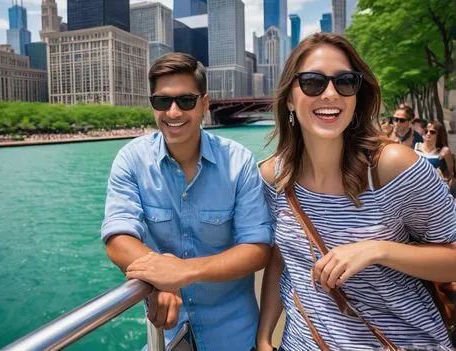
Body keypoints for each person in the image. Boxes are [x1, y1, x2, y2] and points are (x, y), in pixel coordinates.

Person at [257, 33, 456, 351]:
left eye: (346, 82)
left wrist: (378, 250)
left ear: (357, 96)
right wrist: (265, 337)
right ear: (290, 99)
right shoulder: (274, 176)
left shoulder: (393, 167)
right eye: (312, 82)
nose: (331, 93)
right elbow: (281, 258)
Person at [101, 52, 272, 351]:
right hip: (166, 337)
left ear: (205, 104)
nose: (174, 112)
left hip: (234, 337)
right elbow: (117, 237)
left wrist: (182, 271)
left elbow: (257, 249)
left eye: (186, 101)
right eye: (162, 102)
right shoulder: (131, 159)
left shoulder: (239, 161)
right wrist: (158, 274)